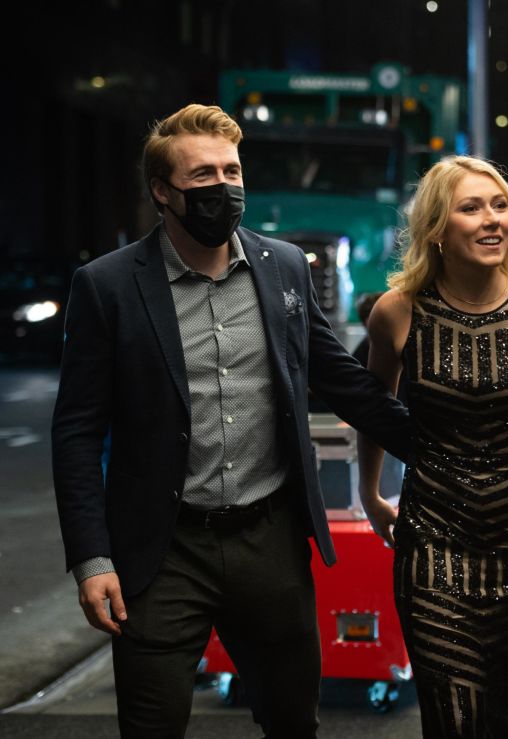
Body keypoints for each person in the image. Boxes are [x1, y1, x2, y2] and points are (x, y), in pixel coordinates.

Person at [51, 103, 411, 738]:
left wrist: (451, 440)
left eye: (232, 170)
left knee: (293, 723)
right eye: (202, 175)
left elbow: (344, 384)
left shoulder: (286, 268)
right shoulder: (106, 287)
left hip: (267, 540)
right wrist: (92, 559)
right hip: (161, 553)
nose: (223, 187)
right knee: (152, 725)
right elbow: (77, 432)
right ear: (163, 191)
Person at [357, 155, 508, 738]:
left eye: (499, 207)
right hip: (432, 553)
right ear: (437, 227)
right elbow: (372, 412)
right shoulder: (396, 314)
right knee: (454, 725)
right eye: (471, 208)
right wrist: (369, 494)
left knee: (500, 726)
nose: (493, 221)